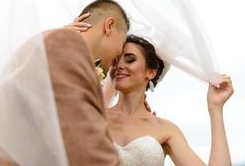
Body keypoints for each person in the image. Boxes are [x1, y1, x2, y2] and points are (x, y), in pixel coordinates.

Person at [68, 15, 234, 166]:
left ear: (151, 72)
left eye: (130, 59)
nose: (119, 66)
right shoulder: (92, 117)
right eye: (116, 60)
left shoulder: (166, 129)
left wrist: (216, 109)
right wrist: (59, 41)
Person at [0, 0, 129, 166]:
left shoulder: (44, 46)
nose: (119, 57)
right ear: (109, 25)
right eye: (122, 43)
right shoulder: (63, 44)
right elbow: (85, 149)